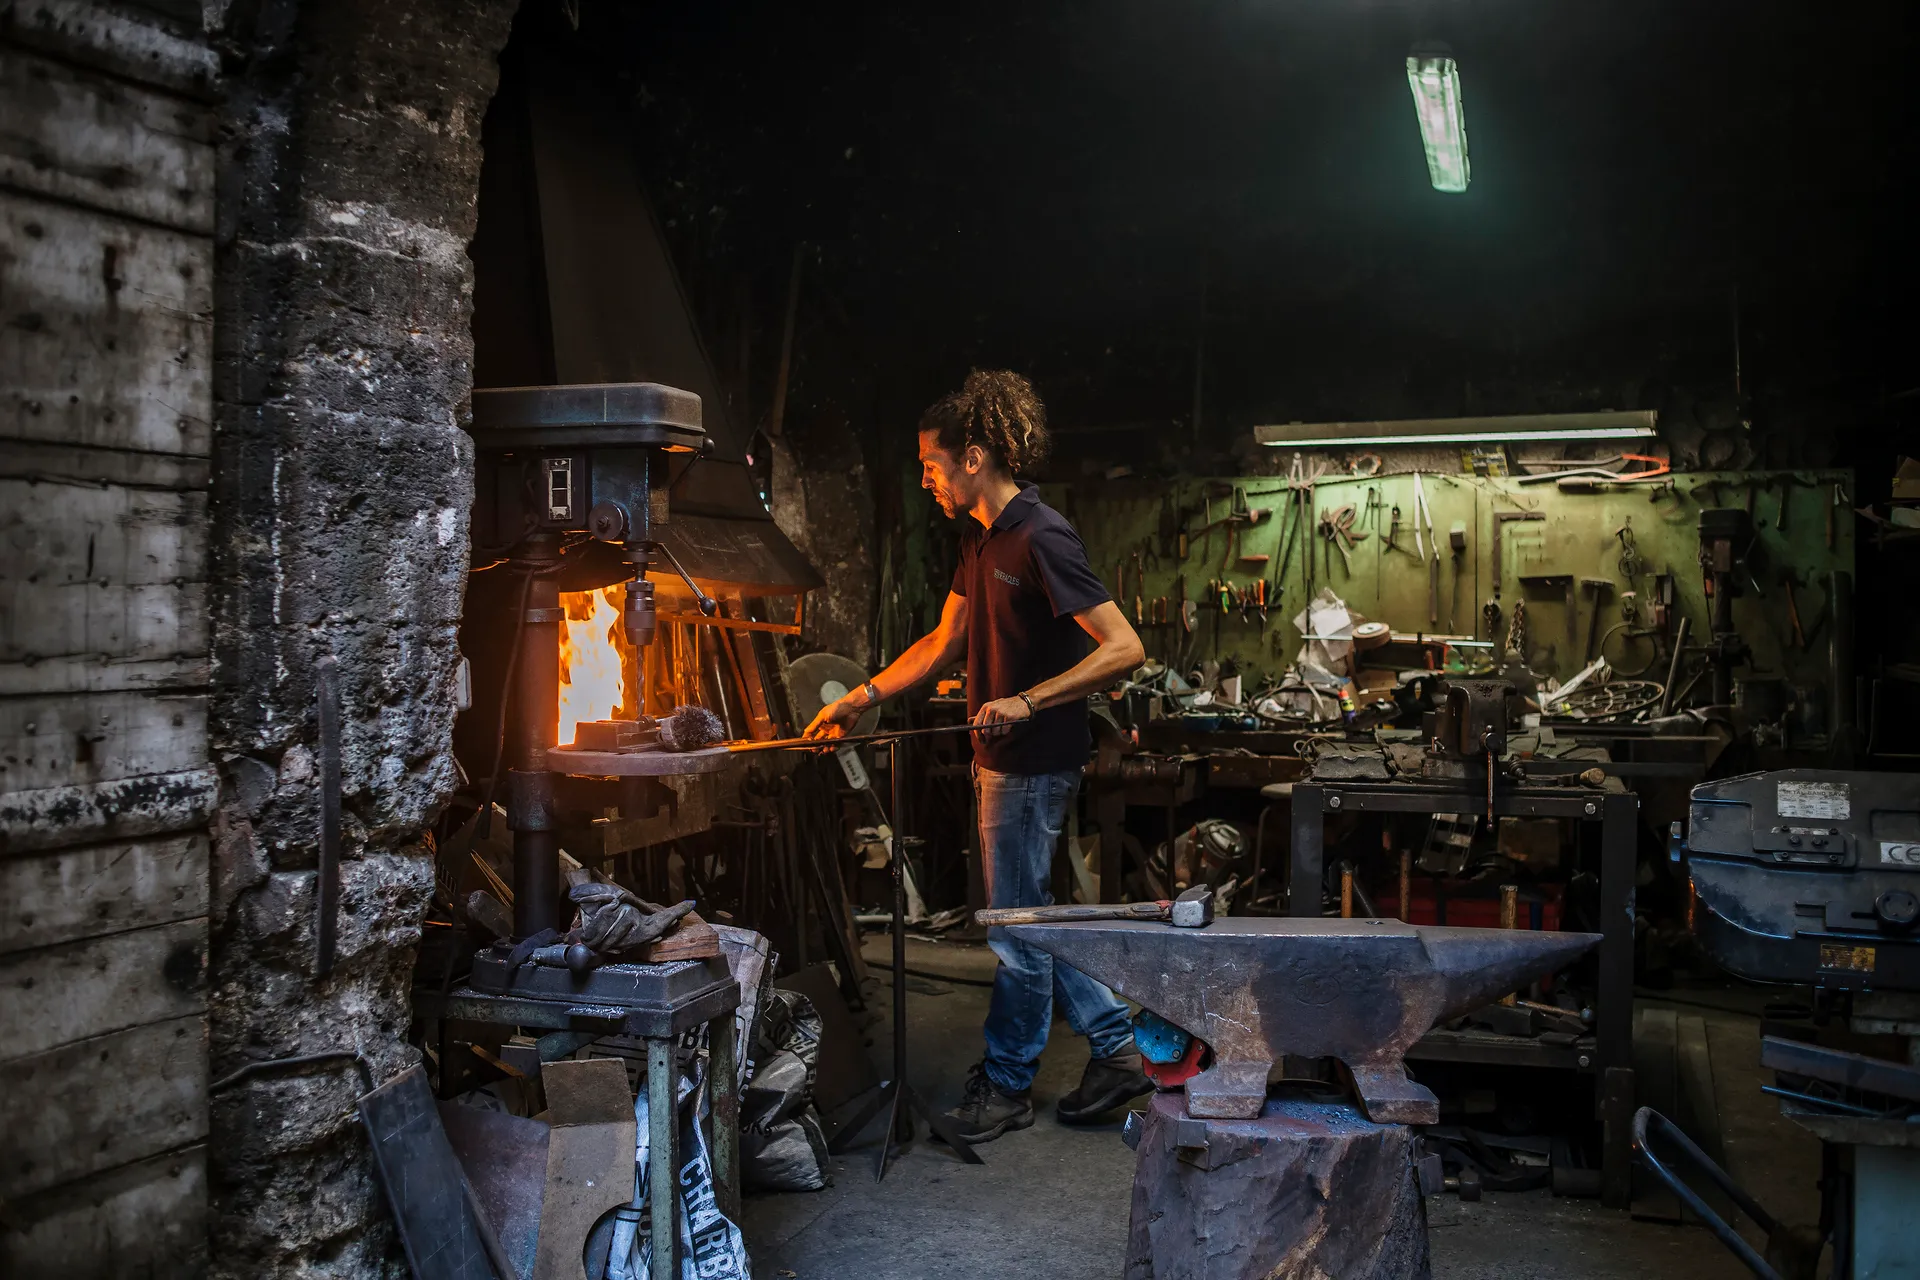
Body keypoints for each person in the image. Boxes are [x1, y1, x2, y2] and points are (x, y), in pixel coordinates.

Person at [804, 369, 1151, 1143]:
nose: (924, 477)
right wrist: (861, 698)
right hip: (1002, 766)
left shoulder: (1043, 536)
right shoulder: (982, 540)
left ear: (973, 457)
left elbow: (1125, 647)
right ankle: (1120, 1052)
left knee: (1017, 930)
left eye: (931, 463)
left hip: (1032, 764)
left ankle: (1006, 1085)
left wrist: (1028, 700)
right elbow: (942, 642)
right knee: (1038, 920)